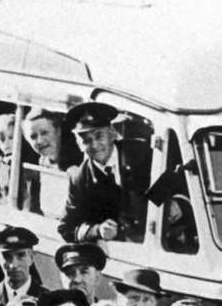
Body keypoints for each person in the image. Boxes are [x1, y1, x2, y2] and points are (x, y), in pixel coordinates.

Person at [56, 101, 151, 244]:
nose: (94, 145)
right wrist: (97, 230)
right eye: (86, 140)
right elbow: (66, 228)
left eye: (99, 136)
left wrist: (172, 204)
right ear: (79, 144)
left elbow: (176, 181)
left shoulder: (140, 153)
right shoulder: (80, 178)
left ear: (112, 133)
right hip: (124, 252)